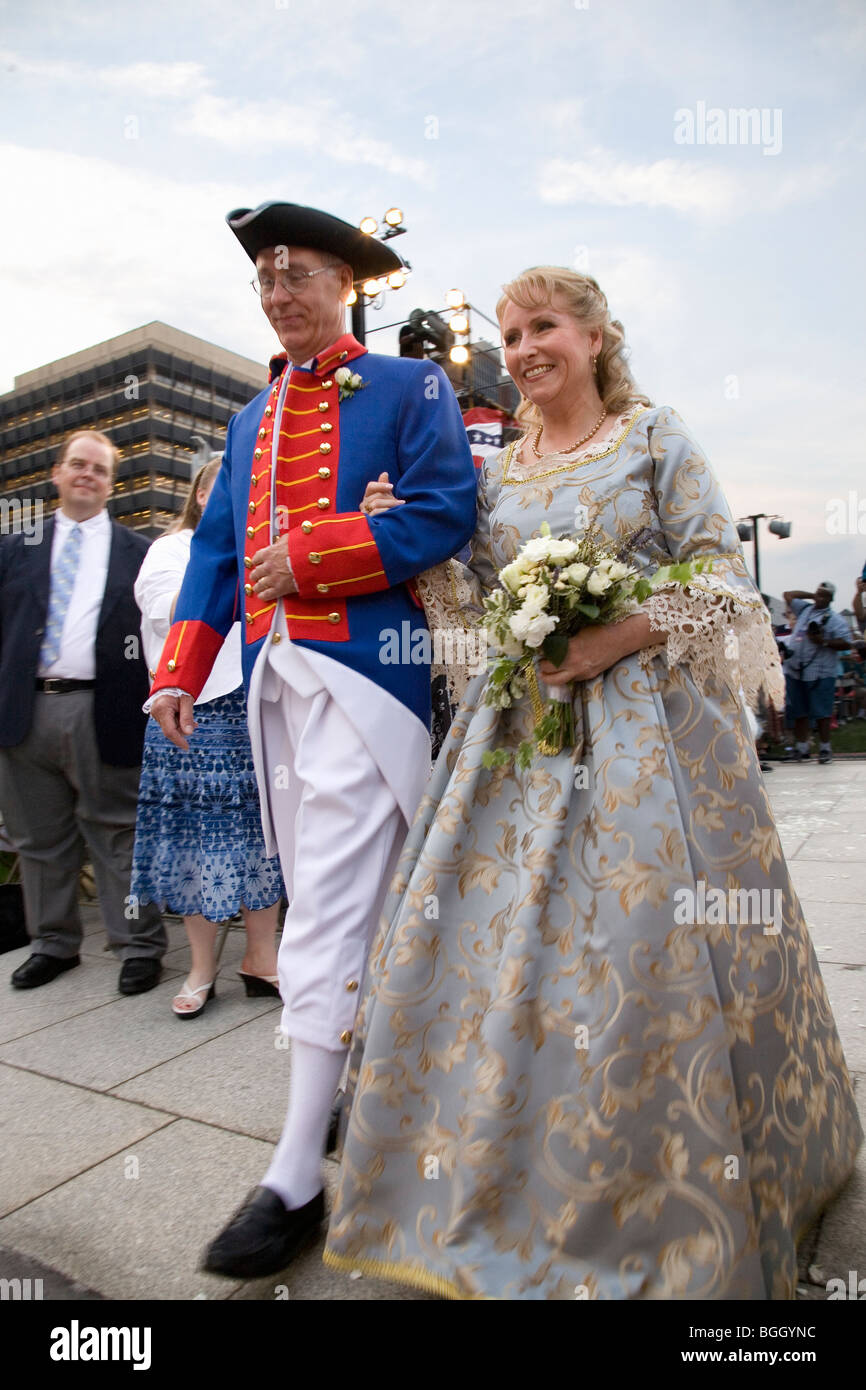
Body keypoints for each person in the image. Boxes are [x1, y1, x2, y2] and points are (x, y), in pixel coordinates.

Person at [323, 266, 863, 1300]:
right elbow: (479, 622)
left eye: (544, 327)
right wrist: (422, 559)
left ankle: (672, 1207)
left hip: (652, 737)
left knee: (640, 949)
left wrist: (611, 635)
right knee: (487, 957)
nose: (523, 347)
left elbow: (716, 577)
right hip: (516, 741)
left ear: (595, 336)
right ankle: (498, 1186)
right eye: (513, 331)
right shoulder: (495, 473)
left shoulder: (654, 436)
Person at [146, 201, 477, 1274]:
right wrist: (178, 671)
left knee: (323, 904)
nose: (280, 295)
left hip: (367, 669)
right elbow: (213, 553)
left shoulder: (407, 385)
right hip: (280, 677)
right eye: (265, 282)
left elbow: (442, 509)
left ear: (348, 285)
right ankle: (377, 1085)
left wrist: (318, 555)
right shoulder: (247, 418)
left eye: (299, 277)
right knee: (337, 889)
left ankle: (293, 1175)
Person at [0, 430, 166, 993]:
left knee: (118, 833)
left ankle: (139, 945)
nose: (86, 475)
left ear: (110, 484)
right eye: (78, 465)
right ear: (57, 473)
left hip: (106, 711)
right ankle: (53, 943)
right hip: (27, 711)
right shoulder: (13, 547)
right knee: (38, 837)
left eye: (98, 469)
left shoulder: (137, 552)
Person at [131, 455, 284, 1017]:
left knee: (262, 835)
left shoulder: (265, 548)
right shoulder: (170, 552)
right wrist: (241, 579)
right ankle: (201, 969)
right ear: (200, 496)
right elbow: (171, 610)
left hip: (257, 706)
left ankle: (261, 958)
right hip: (189, 713)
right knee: (194, 843)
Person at [782, 583, 851, 764]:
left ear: (831, 599)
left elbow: (846, 643)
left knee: (822, 713)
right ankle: (802, 749)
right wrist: (811, 595)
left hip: (821, 672)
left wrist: (824, 641)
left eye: (824, 596)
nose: (820, 598)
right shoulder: (805, 610)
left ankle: (825, 749)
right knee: (799, 711)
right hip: (796, 669)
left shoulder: (836, 620)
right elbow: (788, 594)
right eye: (818, 594)